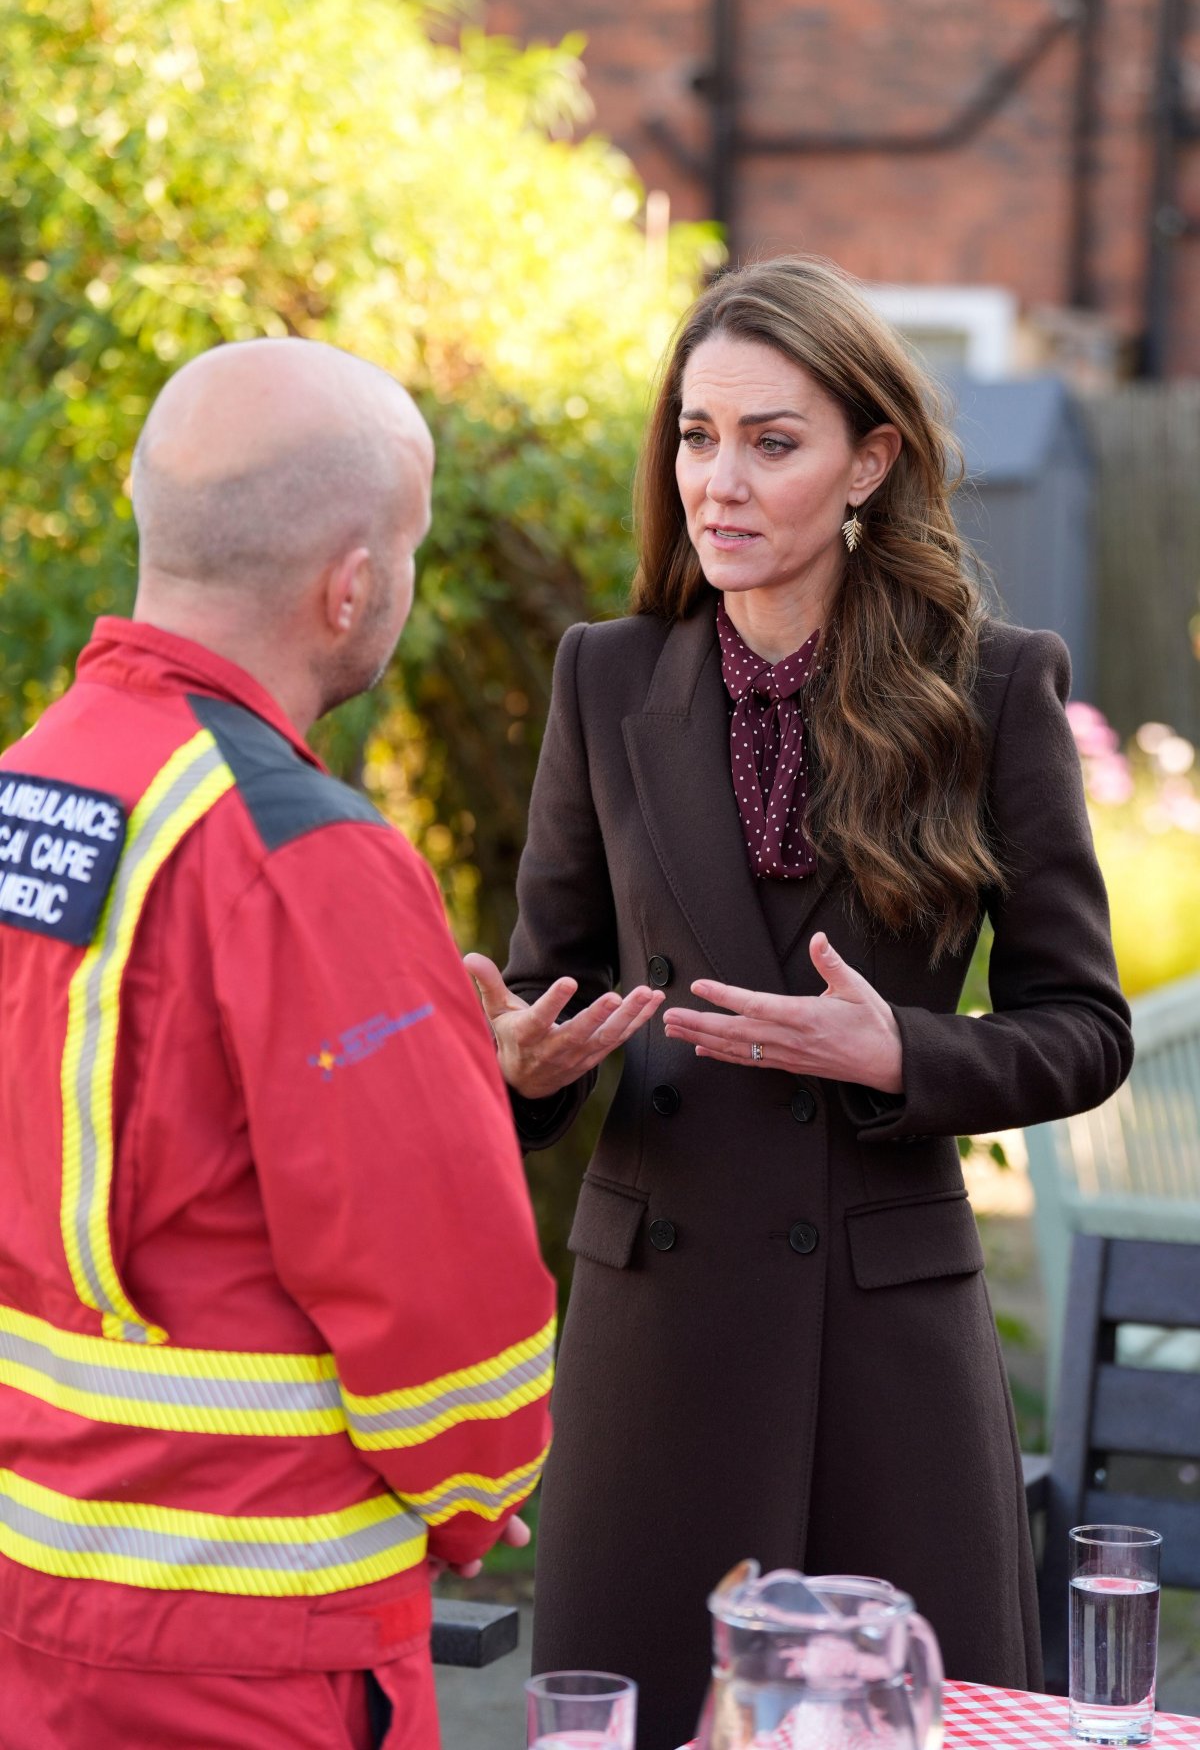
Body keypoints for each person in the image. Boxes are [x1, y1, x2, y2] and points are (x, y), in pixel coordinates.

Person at [466, 256, 1134, 1750]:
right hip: (658, 1337)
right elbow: (545, 985)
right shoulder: (603, 680)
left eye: (772, 441)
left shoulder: (992, 688)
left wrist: (902, 1052)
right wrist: (520, 1061)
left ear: (869, 463)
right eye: (697, 437)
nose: (719, 478)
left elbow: (1085, 1027)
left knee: (914, 1727)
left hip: (883, 1342)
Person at [0, 338, 555, 1750]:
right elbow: (451, 1337)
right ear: (351, 583)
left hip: (34, 1610)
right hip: (248, 1647)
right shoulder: (306, 855)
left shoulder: (29, 794)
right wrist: (483, 1490)